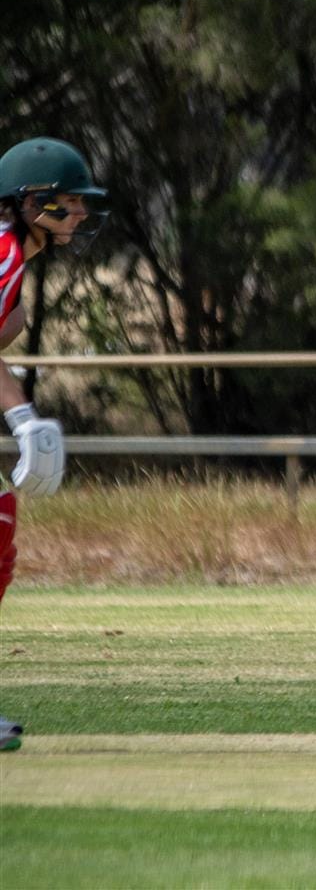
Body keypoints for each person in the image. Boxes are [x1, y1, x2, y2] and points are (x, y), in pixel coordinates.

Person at [0, 137, 108, 752]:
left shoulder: (11, 254)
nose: (82, 215)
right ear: (31, 201)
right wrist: (22, 418)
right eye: (69, 203)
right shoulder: (2, 249)